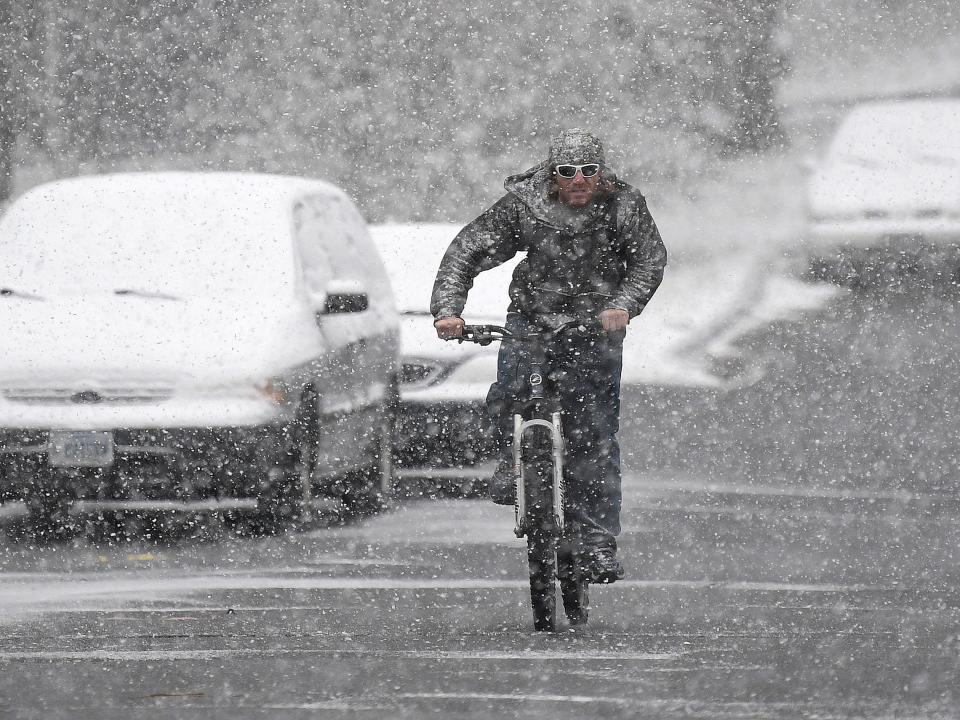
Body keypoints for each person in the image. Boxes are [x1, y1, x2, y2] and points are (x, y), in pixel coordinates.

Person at [431, 129, 667, 583]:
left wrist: (622, 306)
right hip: (531, 319)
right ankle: (512, 459)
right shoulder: (525, 205)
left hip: (594, 327)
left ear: (601, 173)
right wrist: (448, 311)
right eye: (567, 172)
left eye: (588, 171)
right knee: (506, 396)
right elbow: (467, 252)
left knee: (595, 434)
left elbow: (649, 261)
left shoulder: (624, 206)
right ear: (551, 175)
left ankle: (597, 542)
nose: (578, 181)